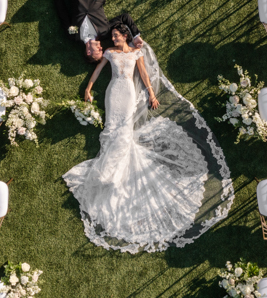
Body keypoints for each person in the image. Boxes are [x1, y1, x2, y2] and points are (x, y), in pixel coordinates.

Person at [63, 23, 234, 254]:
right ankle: (110, 168)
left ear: (125, 36)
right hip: (113, 92)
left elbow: (143, 74)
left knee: (124, 131)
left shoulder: (136, 53)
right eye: (112, 35)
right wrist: (88, 88)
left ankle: (111, 173)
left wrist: (152, 94)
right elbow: (98, 70)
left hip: (129, 93)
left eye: (116, 35)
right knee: (112, 129)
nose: (113, 38)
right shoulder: (110, 53)